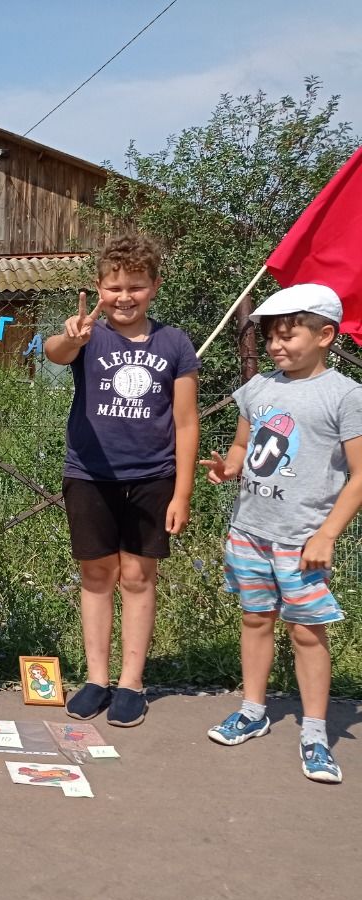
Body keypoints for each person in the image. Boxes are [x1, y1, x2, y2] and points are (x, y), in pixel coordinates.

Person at [202, 284, 362, 784]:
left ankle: (315, 731)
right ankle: (253, 709)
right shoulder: (258, 390)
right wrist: (228, 468)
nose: (276, 346)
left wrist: (327, 535)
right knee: (256, 620)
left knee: (306, 632)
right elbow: (243, 445)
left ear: (326, 335)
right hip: (249, 531)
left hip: (303, 539)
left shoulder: (345, 395)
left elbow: (359, 475)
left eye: (289, 335)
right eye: (271, 336)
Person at [43, 234, 199, 727]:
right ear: (99, 287)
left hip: (153, 477)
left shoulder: (173, 342)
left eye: (136, 286)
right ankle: (96, 678)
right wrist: (73, 335)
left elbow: (187, 422)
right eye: (115, 287)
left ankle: (132, 681)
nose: (124, 297)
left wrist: (183, 492)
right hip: (90, 475)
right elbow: (54, 352)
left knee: (137, 577)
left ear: (154, 286)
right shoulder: (88, 336)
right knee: (96, 575)